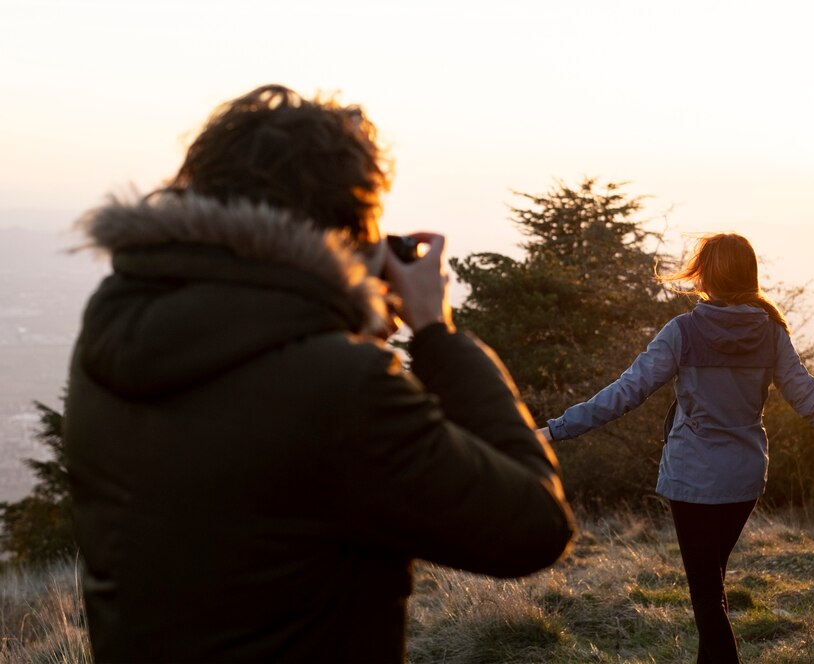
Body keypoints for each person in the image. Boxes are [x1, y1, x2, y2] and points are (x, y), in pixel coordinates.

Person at [65, 84, 576, 663]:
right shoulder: (342, 386)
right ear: (346, 230)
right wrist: (436, 332)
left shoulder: (111, 335)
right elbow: (533, 526)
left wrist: (337, 320)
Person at [539, 233, 814, 663]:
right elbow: (811, 402)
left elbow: (624, 393)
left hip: (693, 479)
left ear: (706, 274)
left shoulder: (684, 332)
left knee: (707, 598)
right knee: (714, 587)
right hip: (744, 479)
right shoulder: (771, 333)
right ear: (749, 274)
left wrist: (555, 431)